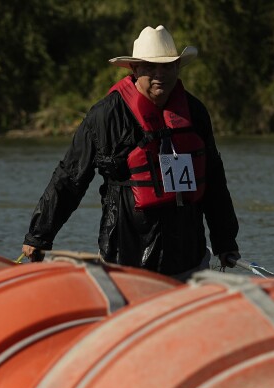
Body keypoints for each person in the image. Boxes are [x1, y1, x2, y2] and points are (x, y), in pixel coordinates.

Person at [21, 25, 239, 279]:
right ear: (134, 69)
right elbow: (70, 178)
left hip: (188, 256)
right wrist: (39, 235)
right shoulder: (105, 116)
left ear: (178, 68)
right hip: (125, 257)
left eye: (167, 66)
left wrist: (225, 242)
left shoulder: (194, 112)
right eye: (149, 67)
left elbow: (213, 180)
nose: (160, 74)